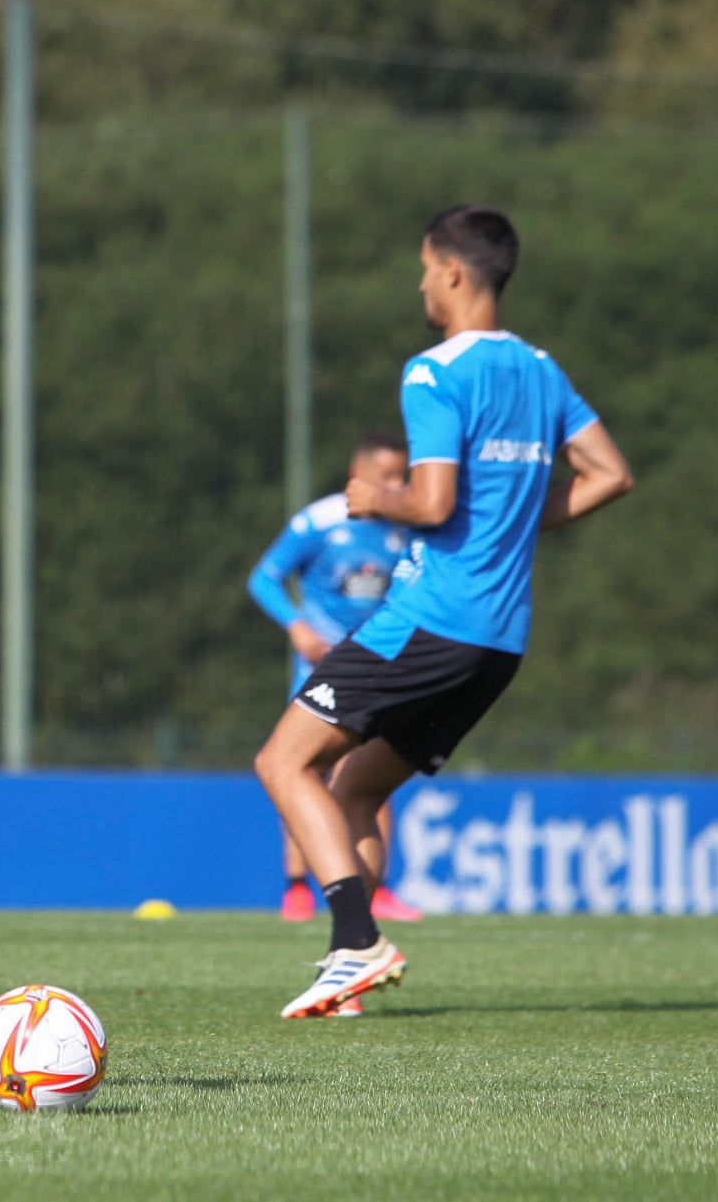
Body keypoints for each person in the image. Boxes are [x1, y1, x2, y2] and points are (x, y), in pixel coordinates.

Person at [254, 205, 634, 1019]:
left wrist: (374, 495)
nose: (422, 282)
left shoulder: (434, 371)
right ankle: (345, 974)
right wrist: (517, 515)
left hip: (431, 616)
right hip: (500, 642)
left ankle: (358, 940)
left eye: (426, 268)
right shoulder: (540, 369)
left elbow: (431, 501)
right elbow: (609, 474)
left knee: (284, 762)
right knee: (356, 788)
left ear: (454, 272)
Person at [248, 431, 426, 942]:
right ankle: (297, 886)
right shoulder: (320, 521)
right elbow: (264, 578)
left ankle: (380, 888)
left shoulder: (405, 526)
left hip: (380, 666)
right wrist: (298, 627)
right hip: (323, 667)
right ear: (360, 473)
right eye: (388, 476)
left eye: (403, 476)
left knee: (372, 773)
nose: (398, 484)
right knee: (301, 769)